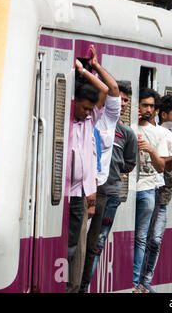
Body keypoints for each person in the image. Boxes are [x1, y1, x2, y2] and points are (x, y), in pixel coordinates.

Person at [68, 45, 121, 293]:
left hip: (83, 194)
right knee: (71, 248)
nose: (88, 112)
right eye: (84, 107)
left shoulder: (94, 119)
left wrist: (90, 68)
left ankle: (77, 287)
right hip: (67, 195)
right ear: (74, 102)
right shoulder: (67, 121)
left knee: (79, 251)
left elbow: (108, 90)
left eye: (91, 108)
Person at [79, 81, 137, 293]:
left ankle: (84, 287)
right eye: (120, 99)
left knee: (97, 243)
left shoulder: (127, 133)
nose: (122, 104)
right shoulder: (97, 123)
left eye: (126, 101)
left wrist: (114, 167)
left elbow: (130, 164)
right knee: (83, 242)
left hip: (111, 193)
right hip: (92, 189)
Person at [137, 94, 172, 293]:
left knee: (155, 240)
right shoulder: (149, 132)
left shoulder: (170, 137)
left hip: (162, 194)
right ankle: (139, 282)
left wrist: (167, 171)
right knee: (144, 238)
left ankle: (146, 281)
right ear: (163, 114)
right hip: (147, 189)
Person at [133, 88, 168, 292]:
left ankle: (136, 281)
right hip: (128, 190)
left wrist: (151, 150)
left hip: (147, 190)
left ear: (156, 110)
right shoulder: (128, 126)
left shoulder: (158, 133)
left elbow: (161, 167)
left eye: (151, 106)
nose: (148, 109)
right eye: (144, 105)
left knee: (140, 238)